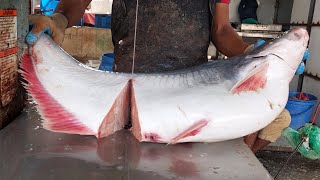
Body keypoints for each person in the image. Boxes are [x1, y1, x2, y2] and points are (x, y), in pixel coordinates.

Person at [26, 0, 307, 153]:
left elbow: (221, 30)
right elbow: (74, 4)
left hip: (194, 87)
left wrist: (250, 53)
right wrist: (59, 20)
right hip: (127, 86)